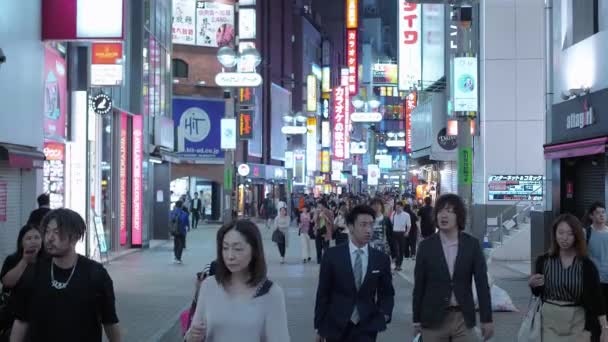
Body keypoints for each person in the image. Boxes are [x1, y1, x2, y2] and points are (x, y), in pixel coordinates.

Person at [9, 208, 121, 342]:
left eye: (56, 232)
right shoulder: (34, 271)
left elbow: (109, 321)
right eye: (47, 231)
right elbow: (21, 320)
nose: (50, 238)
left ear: (75, 236)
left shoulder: (95, 274)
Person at [185, 220, 290, 342]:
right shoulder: (209, 286)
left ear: (254, 250)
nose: (230, 256)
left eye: (238, 249)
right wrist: (192, 337)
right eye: (225, 248)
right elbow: (194, 332)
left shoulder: (272, 293)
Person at [412, 193, 494, 342]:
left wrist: (486, 319)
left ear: (459, 216)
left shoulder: (472, 245)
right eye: (440, 211)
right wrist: (416, 319)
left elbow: (482, 284)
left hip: (462, 317)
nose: (444, 215)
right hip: (432, 318)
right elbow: (419, 286)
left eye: (450, 211)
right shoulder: (426, 247)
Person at [314, 204, 395, 342]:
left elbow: (387, 292)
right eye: (363, 225)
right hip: (336, 325)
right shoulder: (332, 256)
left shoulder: (380, 258)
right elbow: (323, 293)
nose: (368, 230)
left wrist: (384, 314)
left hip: (367, 326)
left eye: (371, 225)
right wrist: (319, 327)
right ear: (351, 226)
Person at [529, 213, 608, 342]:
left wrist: (604, 328)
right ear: (554, 234)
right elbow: (538, 292)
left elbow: (597, 299)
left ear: (577, 236)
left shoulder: (586, 265)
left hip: (578, 324)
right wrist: (532, 285)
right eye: (560, 233)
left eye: (570, 234)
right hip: (549, 323)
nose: (564, 238)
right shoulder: (543, 261)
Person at [0, 225, 43, 340]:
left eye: (37, 237)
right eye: (28, 238)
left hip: (41, 314)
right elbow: (7, 282)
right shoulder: (13, 259)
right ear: (21, 242)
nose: (33, 241)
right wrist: (25, 261)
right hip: (16, 315)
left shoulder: (47, 260)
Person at [391, 202, 411, 271]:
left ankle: (399, 265)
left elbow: (409, 225)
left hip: (402, 233)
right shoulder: (393, 214)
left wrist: (407, 232)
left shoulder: (406, 215)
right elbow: (391, 223)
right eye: (396, 207)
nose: (397, 208)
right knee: (396, 249)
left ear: (402, 207)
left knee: (401, 250)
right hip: (394, 233)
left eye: (398, 207)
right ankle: (397, 264)